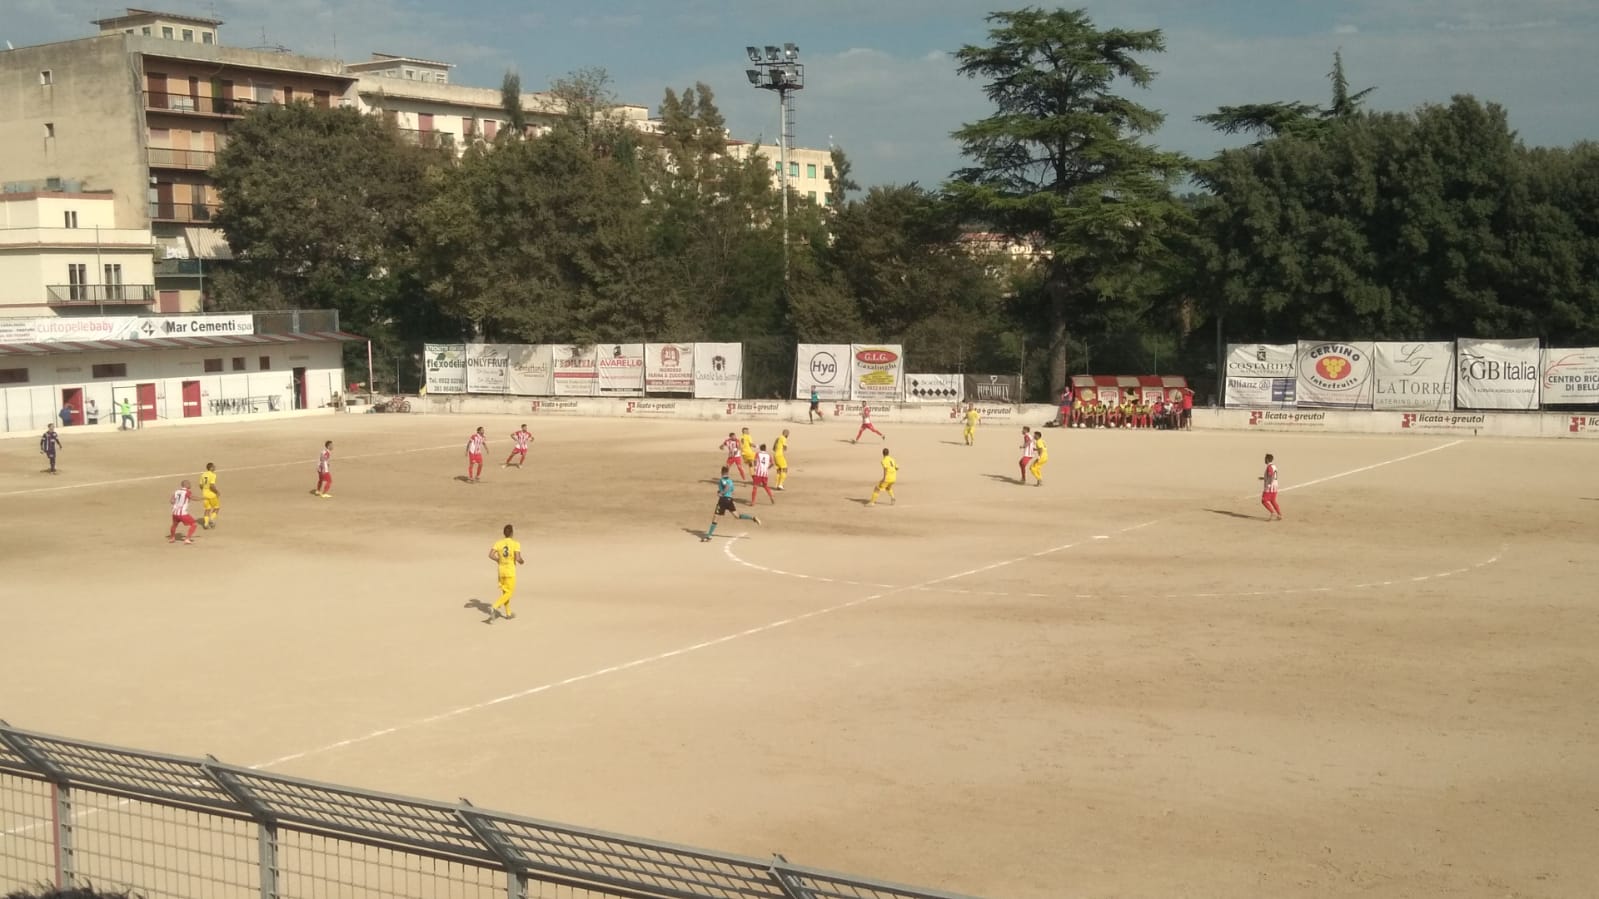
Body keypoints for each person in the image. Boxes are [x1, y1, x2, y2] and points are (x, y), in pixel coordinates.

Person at [703, 465, 760, 542]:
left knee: (715, 517)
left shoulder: (722, 479)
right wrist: (721, 491)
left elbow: (726, 486)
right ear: (728, 472)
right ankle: (753, 518)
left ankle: (709, 536)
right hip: (729, 500)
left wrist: (721, 493)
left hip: (723, 500)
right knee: (737, 516)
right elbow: (731, 490)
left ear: (722, 472)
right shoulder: (731, 481)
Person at [489, 524, 525, 620]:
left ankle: (508, 614)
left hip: (501, 571)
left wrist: (498, 560)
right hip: (510, 571)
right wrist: (522, 561)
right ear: (512, 533)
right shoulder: (515, 543)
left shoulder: (498, 543)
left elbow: (491, 555)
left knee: (505, 593)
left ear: (504, 533)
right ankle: (494, 606)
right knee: (510, 592)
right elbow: (518, 558)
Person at [168, 479, 198, 544]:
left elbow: (171, 501)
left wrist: (177, 504)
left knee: (174, 525)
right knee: (194, 524)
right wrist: (202, 499)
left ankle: (172, 538)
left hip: (175, 513)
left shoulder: (176, 491)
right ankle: (187, 539)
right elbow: (193, 498)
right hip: (183, 513)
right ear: (186, 485)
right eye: (189, 484)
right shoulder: (187, 492)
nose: (190, 485)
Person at [1261, 453, 1282, 521]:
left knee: (1264, 500)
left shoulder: (1269, 467)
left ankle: (1272, 512)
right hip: (1275, 486)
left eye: (1265, 459)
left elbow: (1271, 475)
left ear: (1267, 459)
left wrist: (1269, 484)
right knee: (1273, 500)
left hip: (1270, 487)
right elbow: (1272, 476)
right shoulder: (1274, 466)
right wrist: (1264, 478)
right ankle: (1279, 514)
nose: (1264, 460)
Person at [199, 462, 220, 529]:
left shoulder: (203, 475)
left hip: (204, 494)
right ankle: (211, 519)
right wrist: (217, 492)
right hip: (211, 495)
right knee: (216, 508)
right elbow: (211, 486)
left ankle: (205, 524)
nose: (215, 468)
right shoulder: (213, 475)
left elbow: (201, 485)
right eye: (214, 467)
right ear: (211, 468)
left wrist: (204, 491)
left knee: (207, 509)